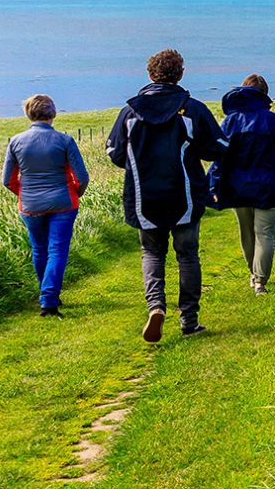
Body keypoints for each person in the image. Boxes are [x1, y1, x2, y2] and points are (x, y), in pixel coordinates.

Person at [107, 49, 227, 343]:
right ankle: (189, 319)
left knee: (152, 253)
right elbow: (219, 148)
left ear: (150, 74)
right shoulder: (193, 109)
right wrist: (194, 154)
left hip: (143, 196)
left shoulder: (130, 112)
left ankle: (156, 307)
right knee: (187, 256)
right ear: (181, 74)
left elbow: (115, 153)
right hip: (185, 194)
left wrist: (142, 162)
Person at [209, 74, 275, 295]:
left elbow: (220, 157)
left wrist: (214, 184)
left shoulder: (230, 121)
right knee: (266, 234)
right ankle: (260, 282)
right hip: (268, 185)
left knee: (247, 233)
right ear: (265, 95)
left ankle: (254, 273)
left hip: (238, 186)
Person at [3, 94, 89, 318]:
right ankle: (49, 298)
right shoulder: (65, 141)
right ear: (53, 114)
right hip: (63, 202)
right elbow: (82, 177)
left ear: (29, 113)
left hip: (30, 205)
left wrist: (25, 193)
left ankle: (47, 295)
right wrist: (74, 193)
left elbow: (8, 180)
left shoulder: (16, 141)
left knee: (40, 249)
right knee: (57, 250)